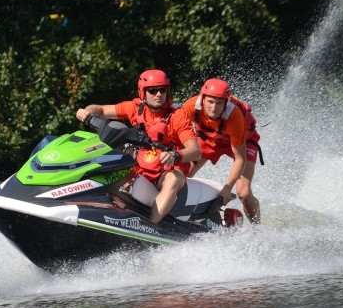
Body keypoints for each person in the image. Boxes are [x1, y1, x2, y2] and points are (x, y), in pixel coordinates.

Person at [76, 69, 200, 224]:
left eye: (162, 90)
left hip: (165, 173)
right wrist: (87, 111)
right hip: (138, 169)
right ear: (142, 92)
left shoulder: (177, 116)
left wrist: (175, 156)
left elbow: (195, 151)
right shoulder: (135, 108)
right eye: (153, 91)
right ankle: (88, 208)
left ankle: (152, 227)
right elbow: (101, 110)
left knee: (174, 179)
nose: (158, 94)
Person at [180, 78, 261, 223]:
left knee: (244, 192)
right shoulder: (190, 106)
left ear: (226, 102)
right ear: (203, 99)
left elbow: (240, 158)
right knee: (183, 174)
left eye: (219, 103)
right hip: (209, 141)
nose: (214, 108)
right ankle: (182, 215)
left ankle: (257, 228)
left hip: (243, 143)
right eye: (210, 102)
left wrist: (227, 188)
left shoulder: (234, 116)